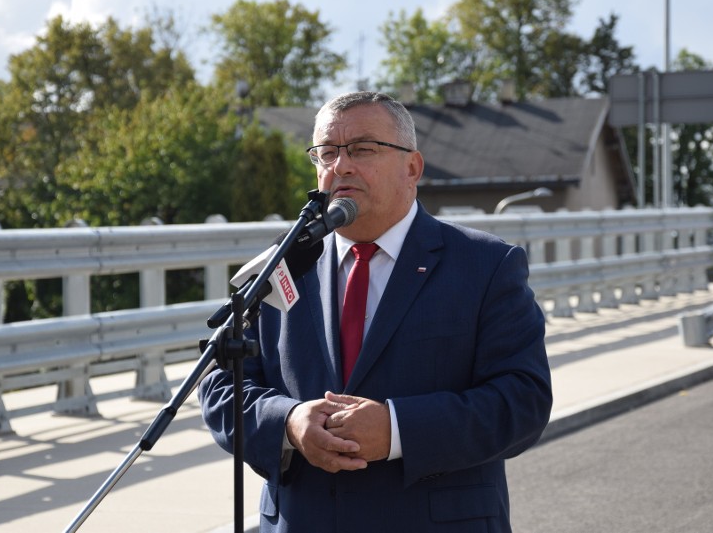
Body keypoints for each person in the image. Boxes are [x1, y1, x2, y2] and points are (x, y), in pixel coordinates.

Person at [198, 91, 552, 532]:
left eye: (363, 149)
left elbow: (523, 401)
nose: (340, 166)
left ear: (412, 168)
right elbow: (218, 385)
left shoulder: (485, 265)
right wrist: (288, 422)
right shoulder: (283, 265)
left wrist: (397, 429)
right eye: (326, 153)